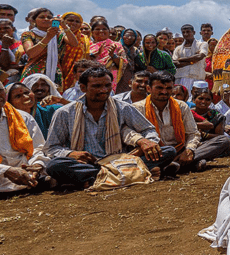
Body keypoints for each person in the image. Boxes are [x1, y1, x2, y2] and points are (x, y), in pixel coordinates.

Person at [44, 67, 176, 187]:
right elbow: (51, 147)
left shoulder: (122, 107)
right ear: (83, 88)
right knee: (54, 165)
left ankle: (96, 178)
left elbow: (148, 129)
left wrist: (147, 143)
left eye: (107, 85)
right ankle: (127, 174)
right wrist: (71, 153)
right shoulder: (65, 113)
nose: (104, 90)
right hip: (88, 164)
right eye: (97, 86)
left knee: (168, 151)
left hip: (122, 159)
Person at [135, 72, 230, 173]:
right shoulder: (138, 108)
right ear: (149, 89)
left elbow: (193, 133)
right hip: (155, 152)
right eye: (159, 88)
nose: (164, 92)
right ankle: (185, 164)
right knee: (168, 151)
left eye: (168, 88)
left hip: (180, 150)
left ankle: (175, 164)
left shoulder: (181, 106)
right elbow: (130, 133)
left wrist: (189, 150)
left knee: (224, 140)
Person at [0, 76, 51, 196]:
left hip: (25, 168)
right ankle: (33, 184)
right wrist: (6, 170)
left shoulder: (23, 117)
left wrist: (36, 165)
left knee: (53, 164)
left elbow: (38, 147)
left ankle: (1, 191)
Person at [20, 8, 83, 90]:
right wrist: (48, 37)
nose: (46, 19)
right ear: (34, 20)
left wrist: (64, 26)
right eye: (42, 17)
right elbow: (31, 53)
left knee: (54, 95)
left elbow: (74, 43)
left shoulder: (58, 33)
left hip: (55, 71)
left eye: (49, 17)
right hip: (34, 70)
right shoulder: (28, 34)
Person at [88, 17, 126, 91]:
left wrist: (113, 56)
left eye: (104, 29)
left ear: (108, 31)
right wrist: (95, 55)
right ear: (92, 31)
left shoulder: (116, 45)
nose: (101, 31)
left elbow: (124, 63)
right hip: (90, 76)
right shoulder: (87, 45)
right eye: (97, 29)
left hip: (110, 77)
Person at [58, 12, 91, 90]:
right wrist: (65, 28)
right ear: (63, 21)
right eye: (70, 20)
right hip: (60, 66)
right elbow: (72, 43)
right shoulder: (58, 33)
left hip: (76, 69)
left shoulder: (84, 38)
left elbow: (86, 56)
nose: (74, 23)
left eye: (77, 21)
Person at [173, 24, 209, 93]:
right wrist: (192, 61)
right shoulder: (178, 48)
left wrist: (181, 59)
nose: (186, 34)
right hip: (181, 78)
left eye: (188, 32)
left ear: (193, 32)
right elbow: (175, 63)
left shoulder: (202, 44)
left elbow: (200, 56)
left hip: (198, 79)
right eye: (183, 32)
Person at [116, 28, 144, 93]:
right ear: (122, 36)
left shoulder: (134, 50)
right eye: (127, 35)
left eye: (133, 36)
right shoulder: (116, 46)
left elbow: (141, 64)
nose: (130, 38)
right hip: (117, 75)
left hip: (129, 76)